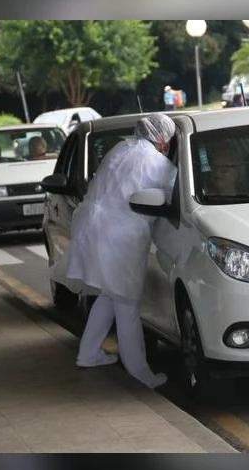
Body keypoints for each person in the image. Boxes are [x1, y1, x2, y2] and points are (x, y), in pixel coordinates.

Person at [55, 113, 177, 388]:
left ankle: (88, 353)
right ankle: (140, 372)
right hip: (121, 237)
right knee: (127, 302)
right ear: (162, 140)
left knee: (109, 295)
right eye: (168, 141)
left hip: (93, 228)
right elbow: (170, 198)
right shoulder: (159, 164)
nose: (167, 145)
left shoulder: (121, 148)